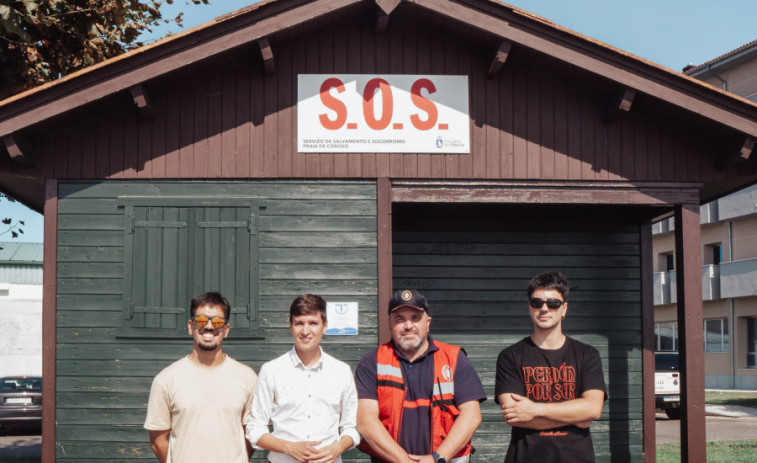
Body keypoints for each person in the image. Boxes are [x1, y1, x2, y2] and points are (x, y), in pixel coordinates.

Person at [355, 289, 486, 463]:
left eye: (415, 318)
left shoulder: (454, 358)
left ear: (428, 322)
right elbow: (365, 421)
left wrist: (436, 458)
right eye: (399, 319)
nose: (408, 325)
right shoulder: (372, 361)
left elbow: (471, 415)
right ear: (389, 323)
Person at [495, 271, 606, 463]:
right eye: (537, 303)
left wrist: (534, 410)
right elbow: (516, 415)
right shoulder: (510, 356)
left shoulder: (587, 355)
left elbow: (592, 410)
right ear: (530, 307)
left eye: (553, 303)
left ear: (564, 309)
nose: (544, 309)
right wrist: (576, 416)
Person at [144, 292, 258, 463]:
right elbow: (157, 441)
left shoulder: (247, 378)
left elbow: (251, 436)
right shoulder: (166, 379)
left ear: (226, 330)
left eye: (218, 322)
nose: (210, 327)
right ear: (191, 326)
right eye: (201, 320)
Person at [245, 294, 359, 463]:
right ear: (291, 326)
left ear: (325, 326)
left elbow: (351, 428)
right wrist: (288, 447)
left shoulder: (341, 372)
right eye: (299, 323)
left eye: (313, 323)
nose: (305, 331)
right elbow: (255, 428)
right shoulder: (271, 371)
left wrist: (337, 448)